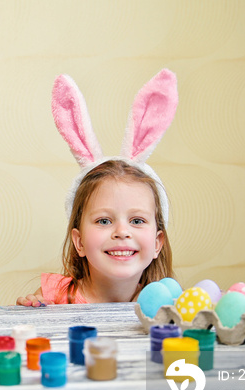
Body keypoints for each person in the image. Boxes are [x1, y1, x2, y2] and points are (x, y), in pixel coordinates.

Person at [17, 70, 177, 306]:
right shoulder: (54, 299)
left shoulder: (167, 305)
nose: (122, 231)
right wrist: (29, 316)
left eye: (137, 221)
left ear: (157, 243)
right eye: (104, 221)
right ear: (79, 241)